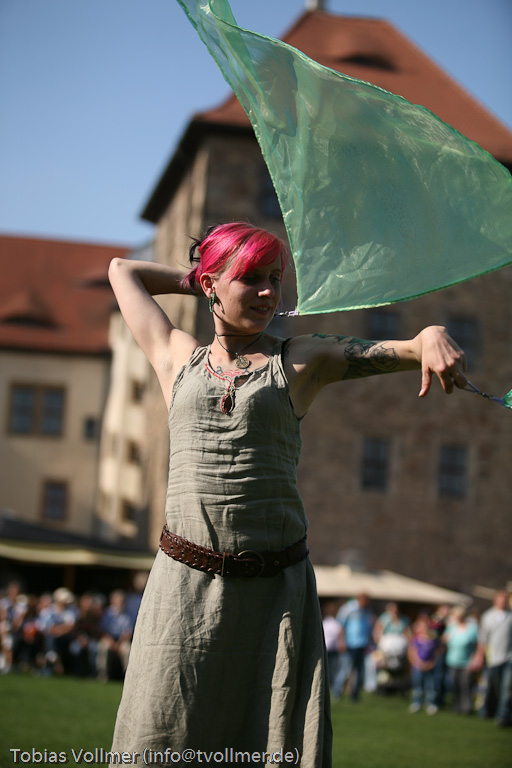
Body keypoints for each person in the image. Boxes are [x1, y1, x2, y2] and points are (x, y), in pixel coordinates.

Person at [108, 222, 467, 765]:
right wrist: (205, 278)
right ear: (210, 283)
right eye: (251, 278)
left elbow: (405, 347)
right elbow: (123, 271)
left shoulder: (299, 360)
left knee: (268, 744)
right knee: (160, 739)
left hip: (271, 598)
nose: (268, 293)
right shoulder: (176, 357)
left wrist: (429, 336)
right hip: (183, 592)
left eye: (275, 279)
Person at [472, 590, 512, 727]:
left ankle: (503, 716)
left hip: (509, 659)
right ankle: (489, 711)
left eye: (505, 599)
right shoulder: (487, 616)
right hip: (493, 658)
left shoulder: (510, 616)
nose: (503, 602)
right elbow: (483, 639)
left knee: (507, 688)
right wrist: (479, 656)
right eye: (501, 599)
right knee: (494, 687)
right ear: (495, 601)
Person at [331, 593, 374, 702]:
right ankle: (337, 692)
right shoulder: (348, 608)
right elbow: (340, 625)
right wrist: (341, 641)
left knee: (359, 671)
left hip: (362, 644)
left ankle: (354, 694)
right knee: (344, 669)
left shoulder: (367, 611)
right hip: (349, 644)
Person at [442, 606, 479, 715]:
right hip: (452, 660)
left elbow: (477, 644)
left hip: (467, 661)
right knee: (455, 684)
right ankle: (457, 705)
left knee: (466, 684)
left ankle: (467, 707)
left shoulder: (472, 628)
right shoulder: (451, 627)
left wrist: (475, 658)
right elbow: (444, 640)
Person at [408, 613, 440, 715]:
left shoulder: (432, 639)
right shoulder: (416, 639)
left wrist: (431, 663)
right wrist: (418, 663)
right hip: (418, 666)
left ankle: (430, 703)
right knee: (418, 685)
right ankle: (416, 702)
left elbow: (437, 652)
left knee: (430, 685)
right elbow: (411, 652)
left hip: (429, 666)